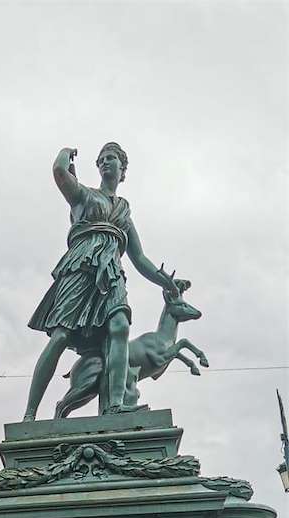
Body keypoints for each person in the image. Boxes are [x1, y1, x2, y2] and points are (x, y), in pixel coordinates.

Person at [25, 143, 184, 420]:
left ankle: (116, 405)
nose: (106, 163)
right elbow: (60, 172)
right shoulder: (84, 196)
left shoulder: (123, 210)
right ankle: (29, 414)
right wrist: (66, 151)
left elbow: (140, 259)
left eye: (112, 159)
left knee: (120, 326)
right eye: (102, 159)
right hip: (81, 266)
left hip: (111, 274)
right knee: (61, 335)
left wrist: (167, 284)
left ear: (123, 171)